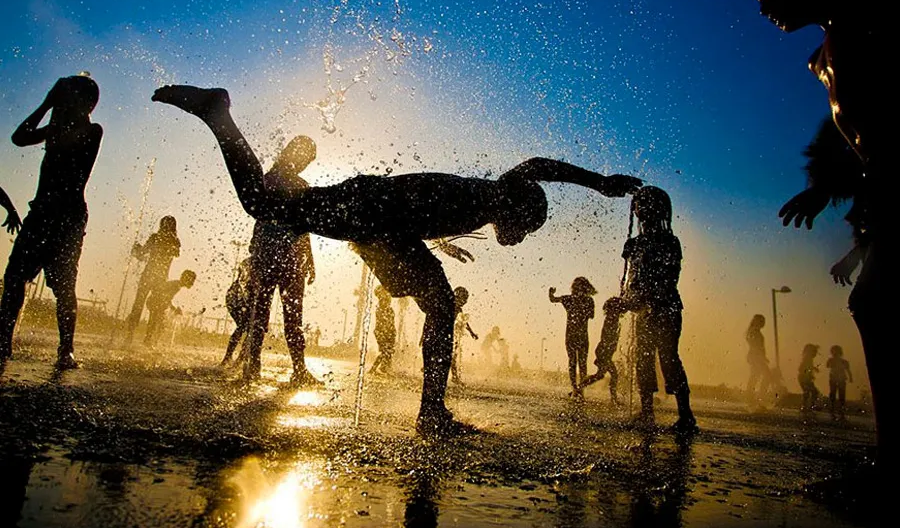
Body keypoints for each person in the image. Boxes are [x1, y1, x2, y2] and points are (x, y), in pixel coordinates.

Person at [151, 84, 641, 434]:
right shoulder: (500, 192)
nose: (519, 236)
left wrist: (437, 247)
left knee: (439, 303)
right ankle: (218, 114)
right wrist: (600, 184)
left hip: (383, 220)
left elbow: (427, 206)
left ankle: (431, 410)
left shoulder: (483, 201)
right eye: (528, 226)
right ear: (522, 208)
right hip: (372, 212)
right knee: (264, 205)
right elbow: (540, 165)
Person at [754, 0, 897, 467]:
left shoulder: (880, 7)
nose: (763, 4)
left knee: (875, 303)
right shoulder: (827, 57)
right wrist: (823, 186)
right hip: (884, 190)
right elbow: (849, 135)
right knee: (875, 303)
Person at [0, 75, 103, 370]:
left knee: (63, 285)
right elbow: (18, 138)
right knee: (15, 278)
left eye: (67, 94)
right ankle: (3, 340)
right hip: (41, 212)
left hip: (67, 218)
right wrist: (46, 103)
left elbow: (68, 136)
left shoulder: (92, 130)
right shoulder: (56, 128)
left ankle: (66, 348)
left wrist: (53, 107)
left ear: (84, 102)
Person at [618, 186, 696, 434]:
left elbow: (668, 280)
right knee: (642, 358)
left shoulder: (670, 242)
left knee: (669, 359)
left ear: (661, 210)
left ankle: (686, 415)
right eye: (639, 205)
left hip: (666, 308)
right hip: (644, 311)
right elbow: (630, 282)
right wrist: (624, 302)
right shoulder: (635, 243)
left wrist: (637, 301)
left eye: (648, 204)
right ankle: (647, 411)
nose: (642, 209)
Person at [241, 135, 318, 387]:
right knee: (279, 316)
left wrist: (310, 259)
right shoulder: (274, 180)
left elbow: (302, 226)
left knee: (267, 315)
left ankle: (259, 367)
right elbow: (261, 218)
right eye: (305, 157)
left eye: (308, 160)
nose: (306, 163)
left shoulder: (274, 180)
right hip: (280, 259)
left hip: (280, 258)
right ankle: (287, 368)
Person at [124, 216, 181, 345]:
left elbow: (142, 254)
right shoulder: (175, 241)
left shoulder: (155, 238)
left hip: (148, 276)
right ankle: (148, 339)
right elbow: (174, 253)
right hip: (161, 279)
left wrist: (136, 250)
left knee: (138, 304)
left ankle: (130, 336)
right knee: (156, 309)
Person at [549, 276, 597, 398]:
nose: (575, 289)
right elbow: (553, 299)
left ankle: (577, 389)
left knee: (575, 362)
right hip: (579, 336)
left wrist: (551, 294)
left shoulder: (572, 299)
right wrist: (551, 294)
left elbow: (553, 299)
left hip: (574, 335)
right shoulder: (584, 300)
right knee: (579, 363)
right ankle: (577, 389)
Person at [579, 295, 624, 405]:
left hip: (604, 351)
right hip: (604, 351)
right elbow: (608, 337)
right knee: (613, 375)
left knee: (600, 375)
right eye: (618, 307)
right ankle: (613, 399)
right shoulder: (611, 319)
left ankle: (578, 389)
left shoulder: (613, 318)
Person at [144, 270, 196, 348]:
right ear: (187, 279)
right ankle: (150, 341)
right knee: (157, 322)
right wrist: (174, 308)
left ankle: (151, 341)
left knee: (157, 322)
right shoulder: (176, 286)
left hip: (155, 301)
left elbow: (166, 298)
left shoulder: (176, 285)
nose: (192, 284)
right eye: (192, 281)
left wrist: (173, 308)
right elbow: (165, 298)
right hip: (155, 301)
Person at [221, 257, 253, 366]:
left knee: (246, 328)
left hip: (234, 296)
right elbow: (243, 284)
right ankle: (234, 359)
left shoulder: (248, 262)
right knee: (246, 327)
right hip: (237, 297)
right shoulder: (251, 263)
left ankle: (233, 358)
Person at [450, 286, 479, 386]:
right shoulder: (448, 304)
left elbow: (464, 322)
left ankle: (454, 377)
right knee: (446, 354)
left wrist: (472, 333)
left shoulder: (459, 309)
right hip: (443, 331)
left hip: (451, 334)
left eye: (465, 300)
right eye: (464, 299)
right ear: (457, 296)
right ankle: (428, 367)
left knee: (453, 355)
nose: (465, 302)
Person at [745, 314, 772, 404]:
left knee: (755, 376)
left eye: (763, 321)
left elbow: (759, 347)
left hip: (756, 357)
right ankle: (759, 397)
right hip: (756, 357)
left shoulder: (754, 332)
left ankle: (752, 397)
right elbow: (756, 346)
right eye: (761, 321)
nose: (763, 323)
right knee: (765, 376)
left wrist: (764, 357)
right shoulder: (754, 332)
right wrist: (761, 357)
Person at [370, 285, 396, 374]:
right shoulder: (380, 310)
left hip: (389, 332)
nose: (388, 301)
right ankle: (373, 369)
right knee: (385, 351)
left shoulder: (390, 310)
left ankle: (384, 368)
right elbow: (382, 323)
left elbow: (392, 323)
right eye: (384, 299)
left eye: (388, 299)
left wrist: (393, 334)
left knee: (388, 352)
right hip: (381, 332)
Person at [827, 345, 853, 421]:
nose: (835, 353)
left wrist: (851, 377)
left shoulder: (843, 361)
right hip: (834, 379)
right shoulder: (832, 360)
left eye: (836, 351)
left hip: (840, 379)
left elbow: (848, 370)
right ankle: (833, 412)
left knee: (841, 397)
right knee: (833, 396)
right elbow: (828, 366)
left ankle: (840, 413)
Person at [798, 343, 821, 415]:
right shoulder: (807, 358)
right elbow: (801, 368)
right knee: (812, 392)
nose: (815, 354)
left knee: (808, 392)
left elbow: (806, 367)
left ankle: (806, 407)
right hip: (804, 379)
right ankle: (809, 407)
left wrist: (813, 369)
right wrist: (808, 373)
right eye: (814, 352)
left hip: (804, 378)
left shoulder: (808, 358)